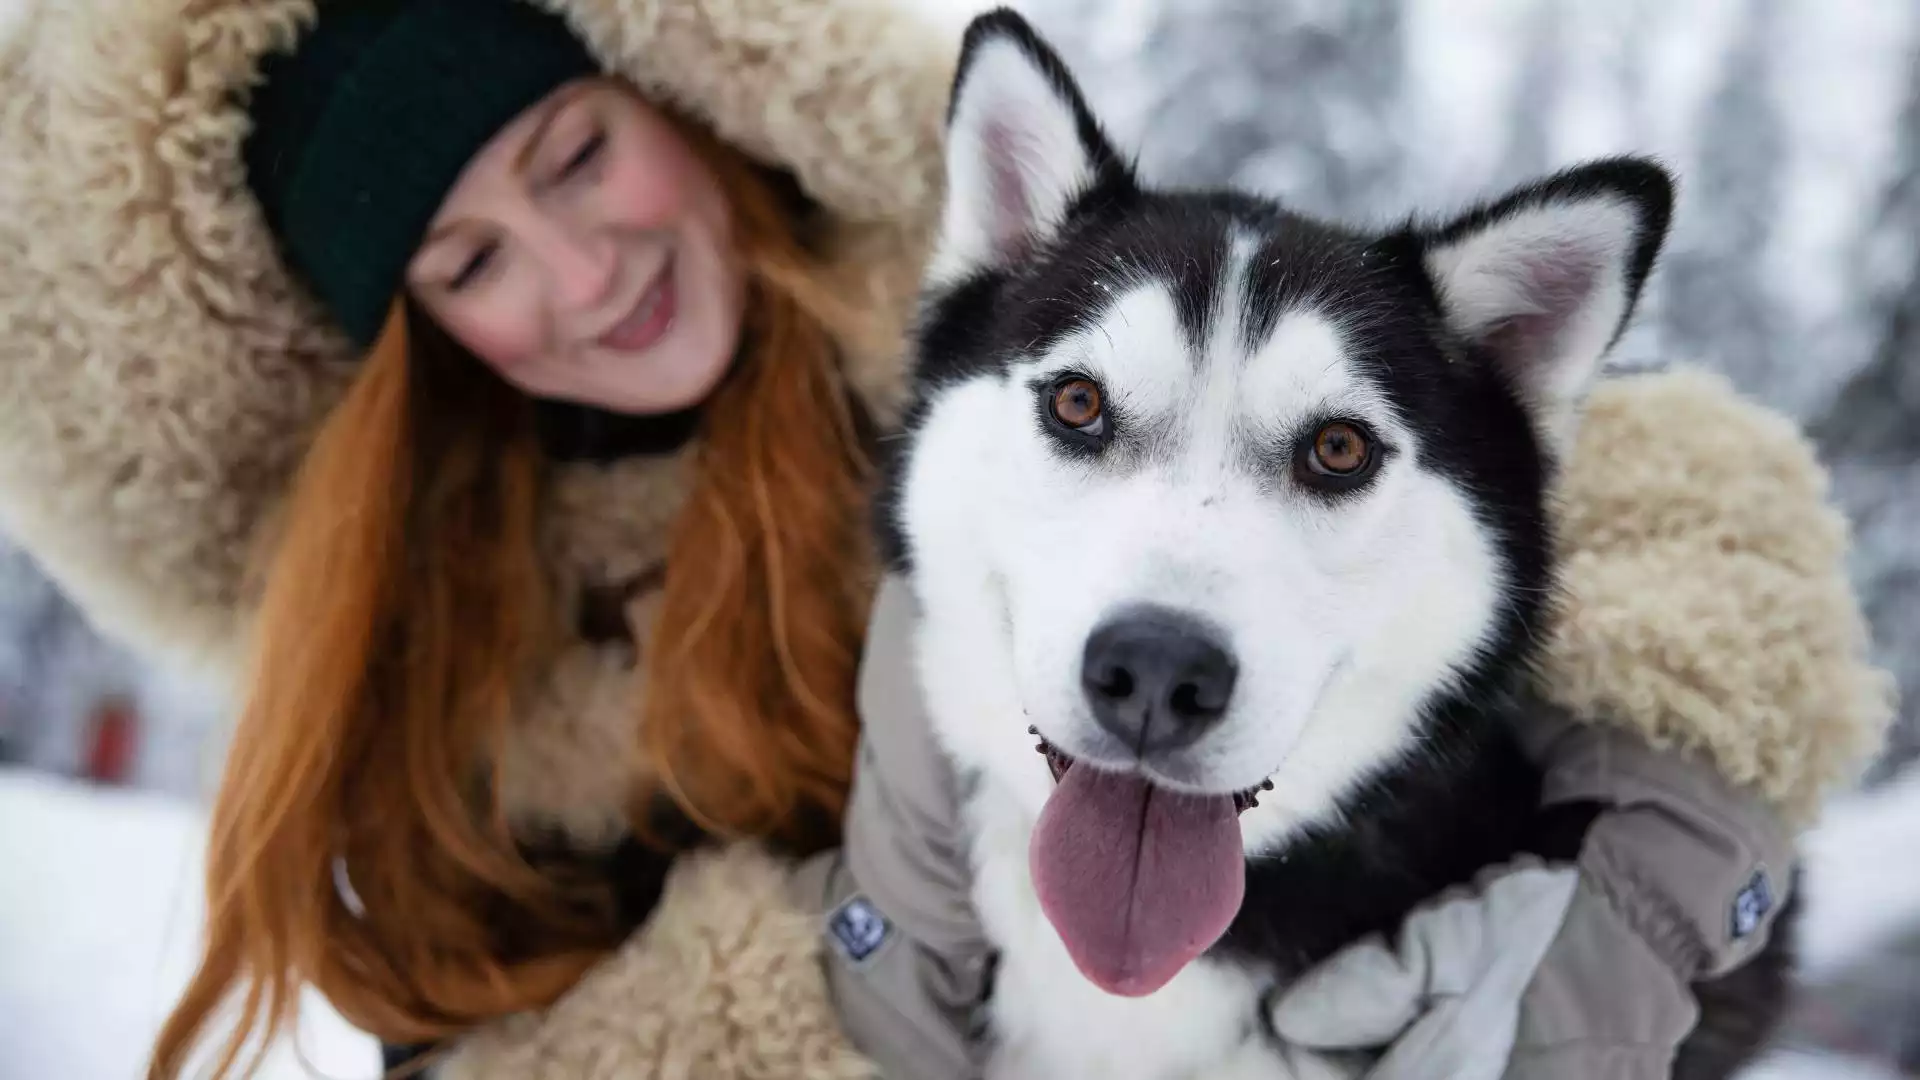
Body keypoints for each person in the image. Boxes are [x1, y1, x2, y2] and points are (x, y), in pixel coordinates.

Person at [0, 1, 1891, 1079]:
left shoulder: (1003, 274)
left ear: (673, 92)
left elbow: (1635, 481)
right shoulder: (438, 672)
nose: (581, 272)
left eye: (575, 154)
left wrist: (1649, 890)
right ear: (411, 334)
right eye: (467, 255)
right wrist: (862, 996)